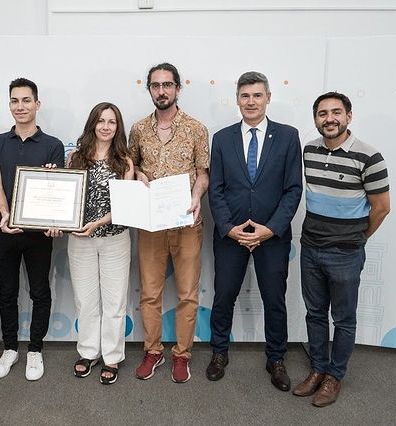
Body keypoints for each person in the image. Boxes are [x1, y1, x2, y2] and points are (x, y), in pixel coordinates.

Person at [207, 71, 302, 391]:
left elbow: (293, 189)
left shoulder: (288, 136)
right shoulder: (221, 138)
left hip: (272, 237)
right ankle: (219, 352)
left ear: (268, 98)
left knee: (275, 300)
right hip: (231, 236)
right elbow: (215, 189)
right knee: (223, 298)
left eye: (257, 95)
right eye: (245, 96)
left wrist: (271, 228)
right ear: (237, 99)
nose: (251, 102)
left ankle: (276, 358)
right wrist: (229, 228)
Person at [294, 92, 390, 407]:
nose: (329, 119)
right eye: (322, 114)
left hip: (346, 254)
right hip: (310, 249)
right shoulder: (308, 151)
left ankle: (335, 376)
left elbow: (381, 208)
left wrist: (357, 238)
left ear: (349, 115)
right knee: (315, 313)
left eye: (336, 112)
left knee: (344, 319)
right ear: (316, 119)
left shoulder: (369, 157)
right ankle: (318, 369)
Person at [129, 62, 209, 383]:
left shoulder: (196, 128)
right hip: (150, 224)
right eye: (155, 85)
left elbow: (203, 174)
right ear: (149, 89)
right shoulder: (137, 129)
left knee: (187, 293)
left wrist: (197, 197)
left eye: (167, 85)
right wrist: (137, 175)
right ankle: (153, 351)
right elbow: (130, 167)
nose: (161, 91)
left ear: (178, 88)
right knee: (150, 292)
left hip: (186, 220)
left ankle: (182, 354)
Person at [0, 78, 65, 381]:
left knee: (39, 291)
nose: (21, 106)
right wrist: (6, 215)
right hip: (3, 230)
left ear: (37, 104)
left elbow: (55, 192)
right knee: (7, 292)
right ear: (10, 105)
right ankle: (9, 348)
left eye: (26, 100)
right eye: (15, 101)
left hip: (38, 235)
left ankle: (34, 350)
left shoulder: (53, 145)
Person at [63, 102, 134, 385]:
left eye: (112, 121)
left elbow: (125, 206)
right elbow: (65, 199)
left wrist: (98, 223)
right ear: (92, 123)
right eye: (101, 120)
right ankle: (88, 352)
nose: (106, 126)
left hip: (115, 239)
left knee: (114, 302)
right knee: (86, 301)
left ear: (118, 127)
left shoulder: (125, 161)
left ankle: (112, 356)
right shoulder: (75, 158)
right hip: (80, 241)